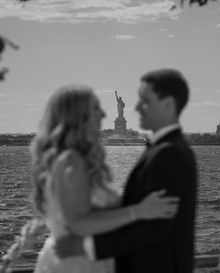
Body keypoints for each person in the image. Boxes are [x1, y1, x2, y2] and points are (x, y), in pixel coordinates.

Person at [55, 69, 198, 273]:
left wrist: (89, 247)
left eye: (145, 100)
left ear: (168, 104)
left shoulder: (170, 153)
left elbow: (156, 227)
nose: (137, 107)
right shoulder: (164, 149)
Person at [31, 85, 179, 273]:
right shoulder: (71, 161)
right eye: (95, 108)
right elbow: (79, 223)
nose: (102, 114)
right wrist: (140, 211)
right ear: (77, 116)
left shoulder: (71, 158)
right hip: (75, 263)